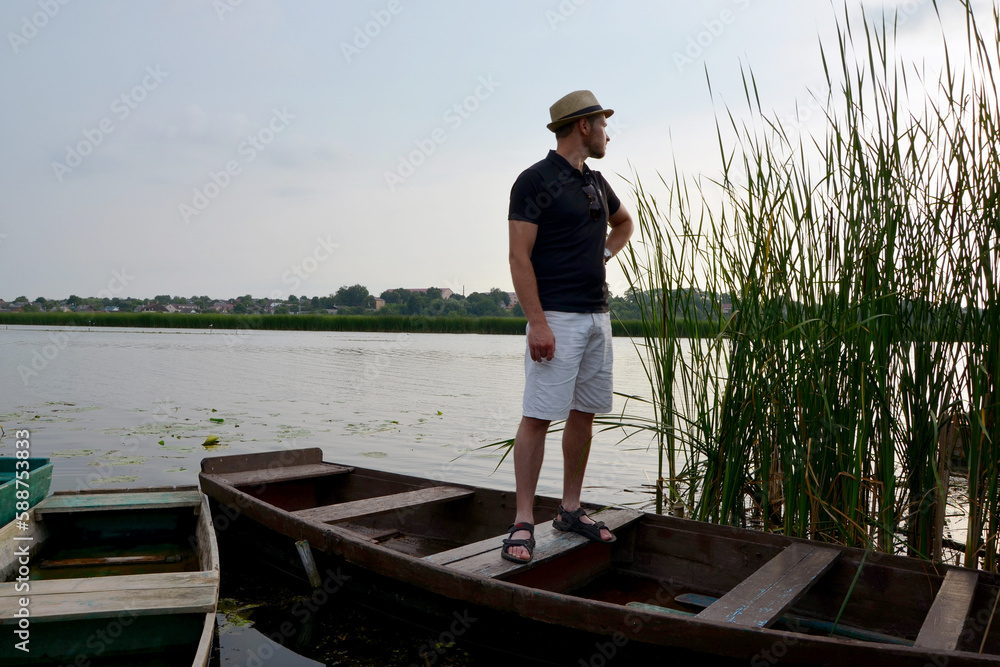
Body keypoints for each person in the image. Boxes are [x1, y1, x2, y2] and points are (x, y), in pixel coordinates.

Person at [502, 90, 634, 563]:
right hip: (555, 316)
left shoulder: (597, 182)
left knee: (585, 413)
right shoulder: (534, 180)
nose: (607, 132)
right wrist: (536, 321)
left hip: (598, 315)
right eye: (602, 123)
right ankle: (521, 521)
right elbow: (519, 256)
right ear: (583, 126)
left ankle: (570, 509)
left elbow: (625, 224)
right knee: (538, 416)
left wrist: (601, 255)